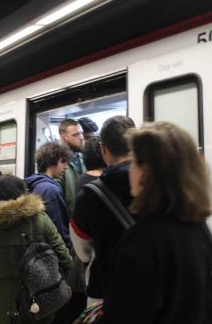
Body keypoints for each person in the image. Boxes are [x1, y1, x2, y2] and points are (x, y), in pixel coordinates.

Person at [99, 122, 212, 323]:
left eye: (134, 163)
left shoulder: (142, 241)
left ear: (147, 172)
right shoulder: (198, 228)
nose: (129, 170)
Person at [0, 175, 73, 324]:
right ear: (22, 194)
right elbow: (65, 258)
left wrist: (0, 277)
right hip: (38, 299)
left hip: (1, 302)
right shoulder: (40, 220)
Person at [70, 115, 135, 303]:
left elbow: (82, 251)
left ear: (103, 149)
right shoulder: (159, 186)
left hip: (104, 289)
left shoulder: (89, 196)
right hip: (150, 290)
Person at [25, 142, 73, 248]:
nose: (66, 167)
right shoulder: (50, 190)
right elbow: (58, 228)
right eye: (63, 162)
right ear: (51, 162)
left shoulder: (34, 184)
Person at [58, 119, 85, 215]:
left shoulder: (83, 157)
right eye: (76, 135)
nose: (81, 138)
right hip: (69, 218)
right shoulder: (56, 162)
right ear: (64, 138)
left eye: (81, 133)